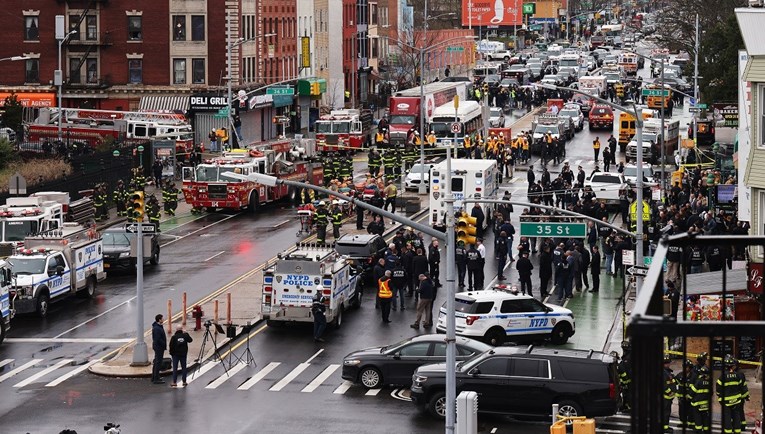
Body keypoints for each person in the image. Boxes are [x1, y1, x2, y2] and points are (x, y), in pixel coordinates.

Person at [717, 355, 744, 434]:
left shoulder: (722, 377)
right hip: (737, 401)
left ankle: (728, 431)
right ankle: (737, 431)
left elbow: (718, 390)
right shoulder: (738, 375)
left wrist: (720, 399)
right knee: (736, 416)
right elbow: (741, 387)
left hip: (726, 402)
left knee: (727, 417)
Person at [662, 355, 677, 433]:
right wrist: (670, 393)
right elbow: (663, 386)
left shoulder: (667, 372)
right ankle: (664, 427)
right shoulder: (663, 373)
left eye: (668, 363)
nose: (668, 364)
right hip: (665, 397)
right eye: (666, 363)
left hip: (668, 398)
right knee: (665, 413)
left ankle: (665, 426)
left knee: (667, 413)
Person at [151, 314, 167, 384]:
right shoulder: (157, 328)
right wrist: (163, 344)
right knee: (158, 362)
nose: (163, 320)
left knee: (156, 362)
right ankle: (156, 378)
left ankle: (154, 377)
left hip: (158, 347)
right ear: (159, 320)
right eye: (162, 319)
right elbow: (158, 339)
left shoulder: (158, 326)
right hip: (159, 347)